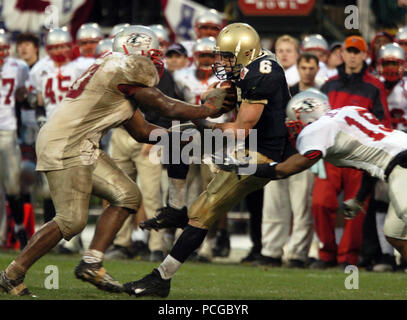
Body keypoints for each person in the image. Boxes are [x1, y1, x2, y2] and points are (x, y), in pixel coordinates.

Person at [0, 25, 232, 297]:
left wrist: (179, 137)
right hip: (66, 145)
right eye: (151, 55)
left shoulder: (114, 74)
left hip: (80, 143)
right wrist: (207, 109)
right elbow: (165, 106)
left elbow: (142, 131)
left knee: (128, 196)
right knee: (71, 220)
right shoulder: (122, 67)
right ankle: (12, 274)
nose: (155, 62)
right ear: (135, 54)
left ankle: (91, 263)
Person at [123, 22, 294, 298]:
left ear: (246, 53)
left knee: (204, 210)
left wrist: (203, 120)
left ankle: (161, 278)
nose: (222, 63)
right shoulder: (250, 65)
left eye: (227, 57)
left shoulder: (264, 74)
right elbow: (220, 91)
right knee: (176, 136)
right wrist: (214, 97)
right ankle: (176, 208)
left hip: (261, 151)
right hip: (244, 142)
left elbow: (241, 128)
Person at [219, 88, 407, 274]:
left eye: (295, 123)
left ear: (305, 116)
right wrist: (359, 198)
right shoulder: (350, 111)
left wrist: (245, 166)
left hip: (402, 165)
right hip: (397, 160)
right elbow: (371, 163)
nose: (295, 129)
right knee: (394, 233)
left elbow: (289, 168)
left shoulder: (316, 129)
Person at [308, 35, 391, 269]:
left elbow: (383, 123)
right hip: (331, 155)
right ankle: (327, 254)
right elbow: (317, 119)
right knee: (320, 204)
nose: (353, 55)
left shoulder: (375, 87)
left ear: (364, 55)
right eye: (349, 51)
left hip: (359, 158)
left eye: (358, 51)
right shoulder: (328, 85)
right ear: (341, 54)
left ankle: (348, 258)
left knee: (355, 207)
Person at [258, 53, 320, 268]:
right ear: (298, 67)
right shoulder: (286, 90)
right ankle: (271, 250)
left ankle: (297, 253)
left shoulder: (323, 94)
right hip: (279, 152)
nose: (308, 71)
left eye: (312, 68)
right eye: (304, 67)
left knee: (302, 207)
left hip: (305, 157)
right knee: (274, 206)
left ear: (318, 69)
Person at [0, 29, 30, 250]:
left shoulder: (18, 67)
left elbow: (21, 94)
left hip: (7, 131)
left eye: (3, 49)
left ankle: (19, 227)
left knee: (13, 186)